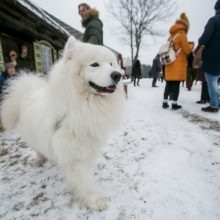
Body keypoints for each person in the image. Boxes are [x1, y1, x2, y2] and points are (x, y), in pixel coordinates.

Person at [162, 13, 193, 110]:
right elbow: (187, 50)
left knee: (168, 84)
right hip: (177, 64)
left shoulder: (171, 36)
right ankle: (174, 104)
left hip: (168, 62)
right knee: (176, 85)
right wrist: (191, 46)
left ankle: (164, 103)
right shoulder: (182, 34)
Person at [194, 0, 220, 113]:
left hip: (213, 56)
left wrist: (200, 43)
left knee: (212, 80)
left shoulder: (214, 20)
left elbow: (204, 39)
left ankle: (214, 105)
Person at [0, 62, 16, 131]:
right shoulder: (2, 78)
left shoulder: (15, 77)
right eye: (9, 68)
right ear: (6, 70)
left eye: (12, 68)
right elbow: (4, 89)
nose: (11, 70)